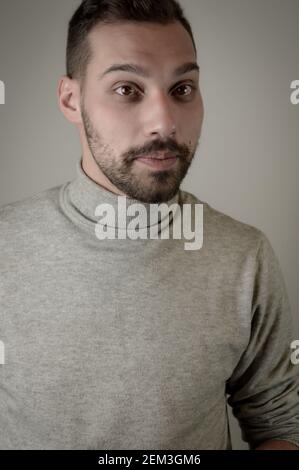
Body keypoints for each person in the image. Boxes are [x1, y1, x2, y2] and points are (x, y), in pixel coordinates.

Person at [0, 0, 298, 450]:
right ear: (70, 99)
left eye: (182, 89)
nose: (164, 122)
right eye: (126, 89)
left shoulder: (244, 256)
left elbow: (279, 422)